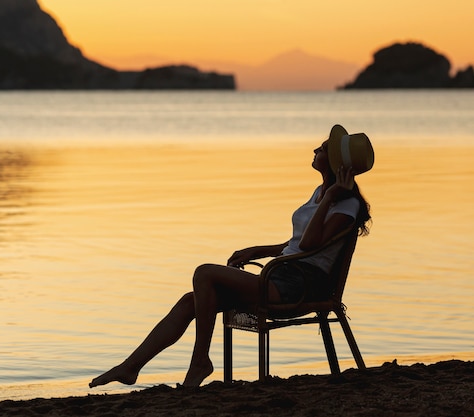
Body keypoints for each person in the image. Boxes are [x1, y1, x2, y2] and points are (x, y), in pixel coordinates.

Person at [89, 124, 374, 389]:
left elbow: (312, 244)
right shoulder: (322, 194)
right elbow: (300, 243)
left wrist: (330, 197)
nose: (315, 150)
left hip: (298, 286)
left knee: (204, 273)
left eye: (322, 148)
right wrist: (258, 250)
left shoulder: (345, 204)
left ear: (336, 163)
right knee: (192, 300)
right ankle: (130, 366)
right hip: (282, 275)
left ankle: (200, 362)